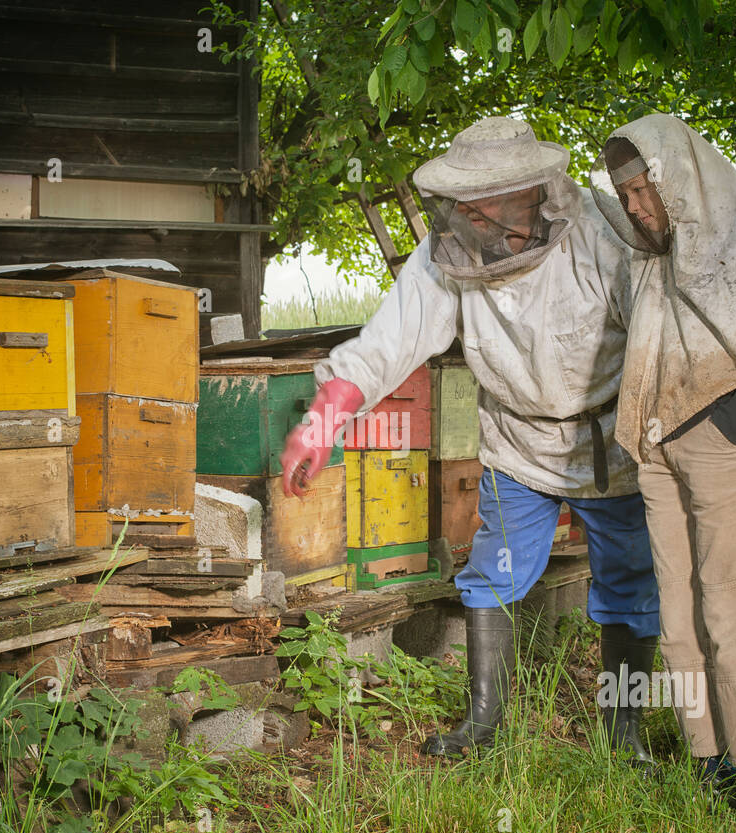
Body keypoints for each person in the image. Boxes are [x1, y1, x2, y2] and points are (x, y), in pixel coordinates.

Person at [280, 116, 661, 763]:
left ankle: (624, 735)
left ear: (534, 191)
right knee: (495, 574)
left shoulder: (603, 232)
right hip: (516, 441)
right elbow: (389, 340)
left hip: (610, 440)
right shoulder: (447, 249)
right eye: (468, 203)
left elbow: (661, 336)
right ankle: (482, 725)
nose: (478, 216)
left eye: (494, 202)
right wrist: (326, 416)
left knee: (629, 581)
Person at [591, 113, 736, 806]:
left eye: (639, 190)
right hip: (658, 449)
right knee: (678, 607)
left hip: (722, 447)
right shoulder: (649, 257)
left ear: (674, 179)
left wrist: (725, 421)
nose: (632, 206)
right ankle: (708, 758)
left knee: (730, 604)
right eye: (622, 194)